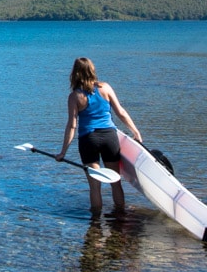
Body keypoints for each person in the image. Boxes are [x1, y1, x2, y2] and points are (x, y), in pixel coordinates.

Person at [57, 57, 143, 216]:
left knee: (95, 186)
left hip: (88, 139)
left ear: (74, 74)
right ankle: (120, 217)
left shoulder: (75, 96)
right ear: (92, 70)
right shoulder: (106, 88)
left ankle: (95, 223)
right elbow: (121, 112)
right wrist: (135, 132)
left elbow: (72, 125)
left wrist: (63, 152)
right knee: (115, 181)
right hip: (110, 137)